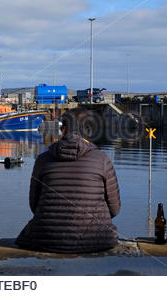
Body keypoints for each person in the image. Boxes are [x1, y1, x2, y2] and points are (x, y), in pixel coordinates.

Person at [15, 108, 121, 253]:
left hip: (45, 239)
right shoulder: (102, 160)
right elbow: (114, 209)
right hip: (97, 240)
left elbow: (34, 206)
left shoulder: (42, 160)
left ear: (63, 130)